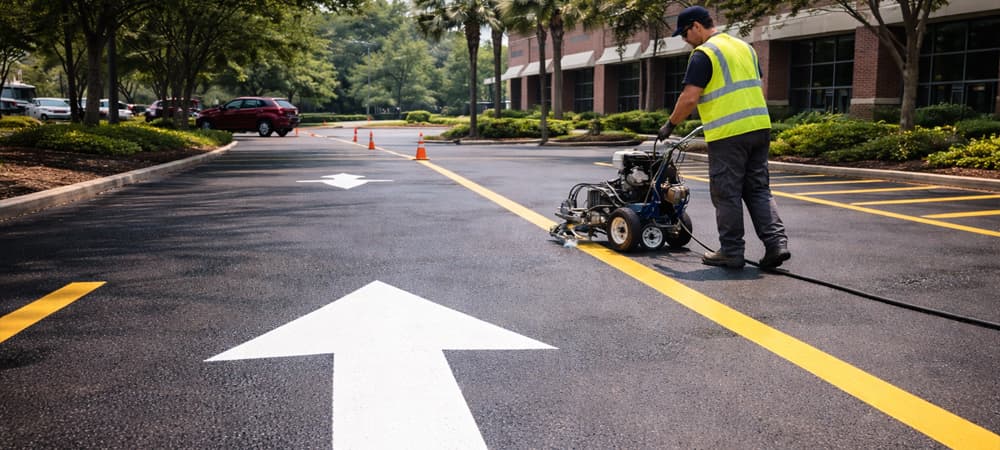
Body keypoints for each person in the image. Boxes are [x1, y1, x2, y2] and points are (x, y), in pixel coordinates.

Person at [658, 6, 790, 269]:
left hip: (729, 135)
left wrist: (670, 125)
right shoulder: (745, 47)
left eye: (684, 34)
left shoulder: (704, 53)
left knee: (726, 192)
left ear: (696, 26)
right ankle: (776, 244)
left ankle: (731, 251)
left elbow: (690, 97)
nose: (685, 40)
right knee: (758, 189)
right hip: (759, 128)